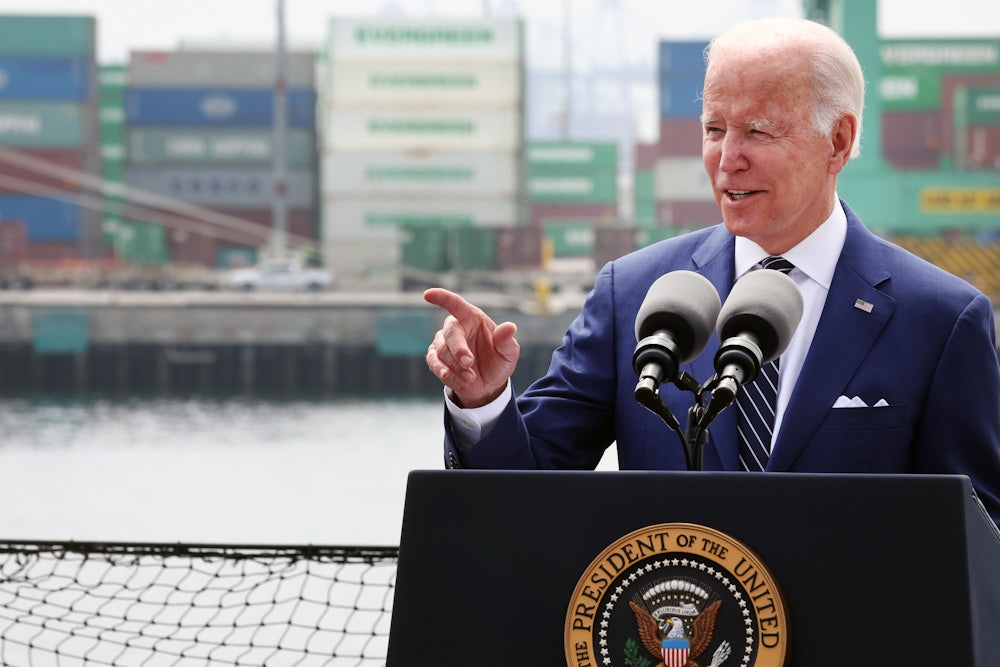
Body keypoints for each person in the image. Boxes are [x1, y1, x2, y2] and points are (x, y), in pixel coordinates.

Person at [423, 17, 1000, 526]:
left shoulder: (942, 320)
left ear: (839, 141)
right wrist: (484, 399)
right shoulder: (632, 295)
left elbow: (978, 544)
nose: (727, 159)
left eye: (758, 131)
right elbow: (525, 491)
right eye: (714, 129)